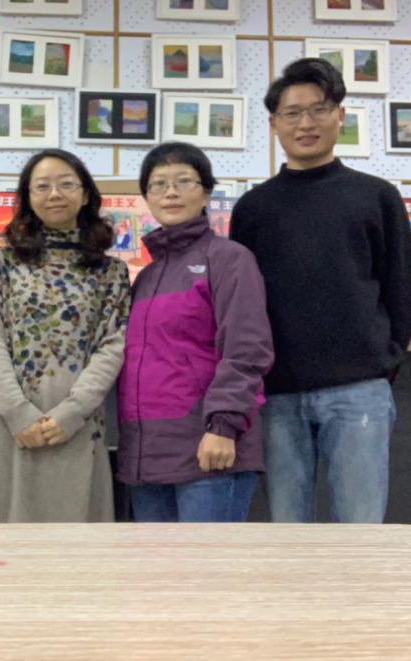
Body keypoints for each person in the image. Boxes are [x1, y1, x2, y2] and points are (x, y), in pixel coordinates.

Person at [229, 58, 411, 523]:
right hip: (277, 394)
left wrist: (382, 362)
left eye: (318, 109)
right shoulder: (253, 208)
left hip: (359, 390)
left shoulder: (376, 196)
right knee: (289, 530)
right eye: (292, 113)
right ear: (273, 124)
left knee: (360, 528)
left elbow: (400, 291)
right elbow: (242, 305)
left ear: (340, 116)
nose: (306, 123)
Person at [0, 149, 129, 523]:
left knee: (74, 543)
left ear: (85, 194)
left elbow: (113, 345)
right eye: (42, 186)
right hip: (6, 422)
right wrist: (17, 412)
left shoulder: (110, 272)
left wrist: (72, 412)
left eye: (66, 184)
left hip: (77, 423)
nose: (54, 194)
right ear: (28, 198)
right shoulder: (2, 263)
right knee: (1, 543)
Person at [117, 142, 274, 523]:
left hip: (208, 450)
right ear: (147, 198)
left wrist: (224, 426)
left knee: (208, 563)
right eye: (159, 184)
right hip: (146, 458)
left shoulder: (229, 259)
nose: (170, 192)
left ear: (205, 192)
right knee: (155, 563)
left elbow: (246, 349)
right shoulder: (147, 276)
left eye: (183, 181)